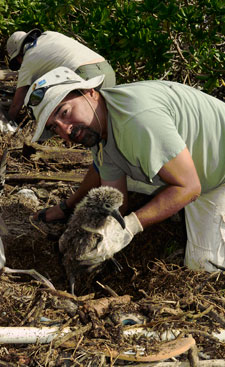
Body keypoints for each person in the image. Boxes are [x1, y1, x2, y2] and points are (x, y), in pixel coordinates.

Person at [24, 66, 225, 273]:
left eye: (64, 112)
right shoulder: (98, 130)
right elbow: (116, 197)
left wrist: (129, 227)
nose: (65, 130)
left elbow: (190, 187)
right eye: (54, 127)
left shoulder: (136, 119)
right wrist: (99, 235)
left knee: (204, 269)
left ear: (90, 92)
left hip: (215, 177)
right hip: (196, 168)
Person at [6, 29, 116, 123]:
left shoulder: (28, 59)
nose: (20, 64)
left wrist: (8, 122)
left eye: (17, 62)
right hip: (107, 70)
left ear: (19, 55)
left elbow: (17, 103)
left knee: (61, 114)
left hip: (85, 76)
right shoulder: (50, 35)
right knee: (108, 122)